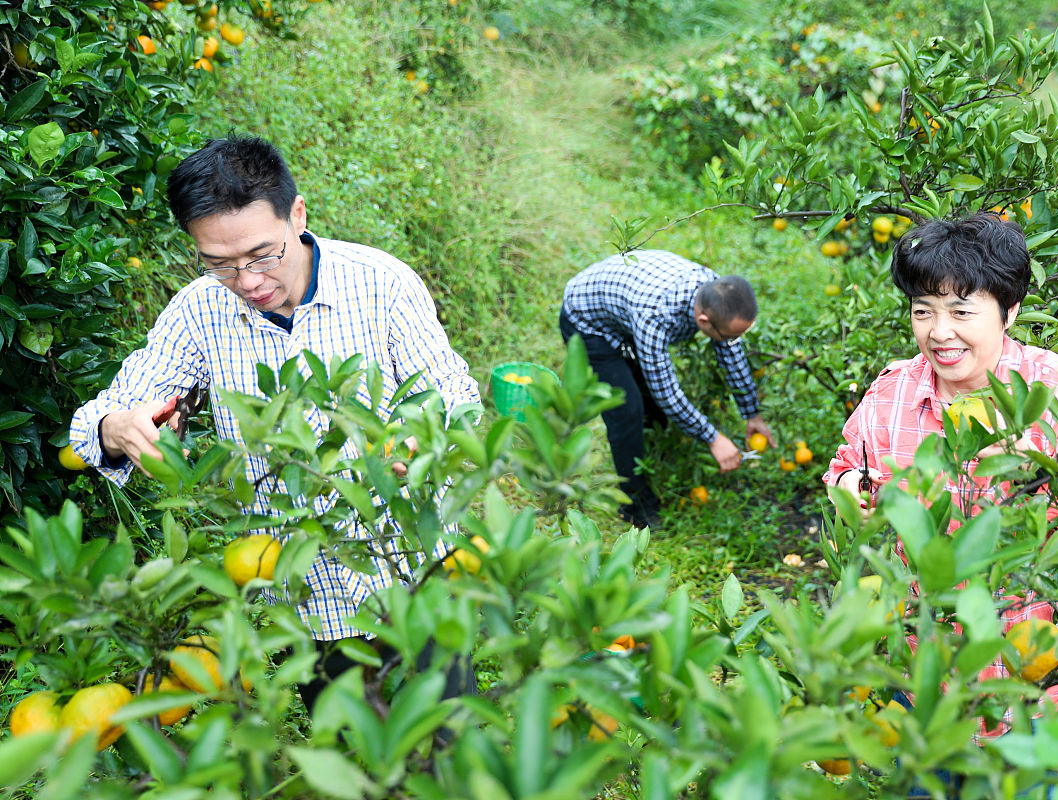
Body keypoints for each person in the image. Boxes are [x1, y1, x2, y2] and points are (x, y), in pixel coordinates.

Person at [69, 135, 481, 710]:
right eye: (219, 263)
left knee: (446, 732)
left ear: (298, 215)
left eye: (263, 255)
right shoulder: (199, 310)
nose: (248, 281)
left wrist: (422, 437)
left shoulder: (382, 284)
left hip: (411, 565)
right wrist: (118, 427)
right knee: (345, 745)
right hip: (308, 598)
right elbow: (107, 413)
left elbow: (455, 394)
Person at [823, 211, 1058, 741]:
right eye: (923, 311)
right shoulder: (892, 392)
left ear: (1009, 312)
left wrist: (1050, 475)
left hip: (1041, 690)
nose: (939, 332)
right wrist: (850, 488)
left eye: (961, 311)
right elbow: (844, 469)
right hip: (923, 680)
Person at [560, 249, 774, 528]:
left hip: (625, 313)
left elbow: (730, 354)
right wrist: (713, 438)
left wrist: (752, 413)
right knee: (626, 409)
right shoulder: (655, 315)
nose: (734, 342)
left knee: (649, 400)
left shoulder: (717, 295)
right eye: (730, 337)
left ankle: (653, 457)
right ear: (703, 321)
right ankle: (635, 504)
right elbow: (667, 393)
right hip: (587, 323)